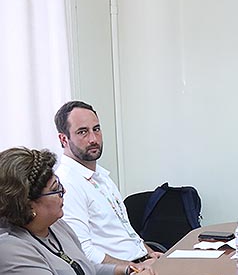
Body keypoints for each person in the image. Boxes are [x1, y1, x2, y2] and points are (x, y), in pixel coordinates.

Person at [0, 148, 158, 275]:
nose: (64, 192)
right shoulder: (8, 249)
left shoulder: (56, 225)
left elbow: (80, 272)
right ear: (28, 205)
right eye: (55, 190)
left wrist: (125, 271)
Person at [54, 101, 162, 263]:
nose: (93, 139)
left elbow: (125, 231)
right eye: (83, 132)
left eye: (96, 129)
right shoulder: (67, 184)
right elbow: (83, 251)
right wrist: (134, 268)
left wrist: (149, 253)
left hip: (141, 263)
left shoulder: (100, 176)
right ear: (63, 139)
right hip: (123, 273)